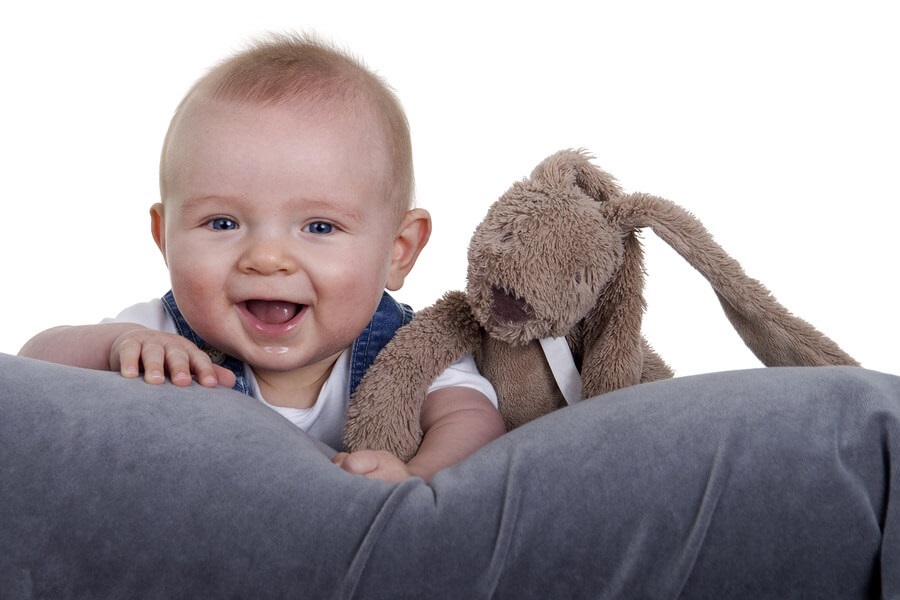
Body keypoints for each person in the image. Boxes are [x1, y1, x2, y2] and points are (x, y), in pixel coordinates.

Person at [18, 32, 506, 483]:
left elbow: (472, 420)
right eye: (223, 223)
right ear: (165, 238)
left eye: (319, 227)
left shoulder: (410, 351)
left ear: (398, 250)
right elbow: (31, 368)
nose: (267, 258)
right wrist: (117, 344)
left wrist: (416, 478)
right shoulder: (161, 336)